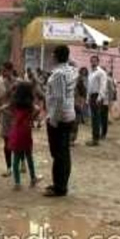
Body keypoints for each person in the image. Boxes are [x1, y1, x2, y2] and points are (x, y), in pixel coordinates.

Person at [44, 45, 78, 197]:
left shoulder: (58, 74)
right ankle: (60, 184)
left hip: (60, 117)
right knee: (63, 153)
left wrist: (53, 120)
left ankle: (59, 187)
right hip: (68, 115)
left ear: (56, 56)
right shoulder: (71, 70)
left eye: (52, 54)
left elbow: (59, 99)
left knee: (58, 153)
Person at [8, 81, 41, 190]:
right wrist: (31, 118)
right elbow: (38, 109)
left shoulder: (15, 103)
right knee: (29, 156)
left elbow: (8, 110)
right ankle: (33, 178)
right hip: (26, 131)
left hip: (16, 130)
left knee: (16, 158)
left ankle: (17, 183)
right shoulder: (29, 104)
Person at [0, 61, 19, 177]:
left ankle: (21, 163)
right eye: (2, 70)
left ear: (10, 70)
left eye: (4, 70)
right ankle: (9, 167)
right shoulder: (1, 83)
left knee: (18, 142)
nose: (3, 72)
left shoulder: (19, 83)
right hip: (5, 115)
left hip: (16, 115)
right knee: (6, 142)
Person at [86, 56, 107, 146]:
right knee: (93, 118)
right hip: (91, 96)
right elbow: (89, 87)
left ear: (98, 62)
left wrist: (99, 98)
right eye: (92, 61)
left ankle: (96, 139)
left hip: (97, 96)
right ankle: (94, 137)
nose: (93, 62)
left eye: (95, 61)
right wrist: (88, 98)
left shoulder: (101, 72)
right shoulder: (91, 73)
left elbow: (103, 86)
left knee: (96, 118)